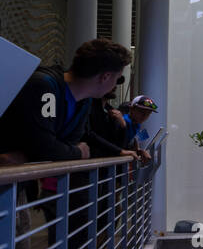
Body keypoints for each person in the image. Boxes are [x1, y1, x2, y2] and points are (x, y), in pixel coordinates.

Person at [0, 38, 133, 163]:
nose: (114, 86)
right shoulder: (45, 87)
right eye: (116, 79)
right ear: (105, 77)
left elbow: (69, 142)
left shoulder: (84, 101)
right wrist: (78, 153)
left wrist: (51, 151)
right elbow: (44, 148)